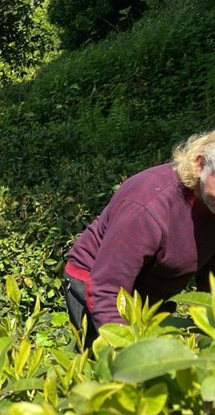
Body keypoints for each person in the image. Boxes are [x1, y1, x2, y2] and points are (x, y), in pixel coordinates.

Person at [64, 128, 215, 343]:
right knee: (107, 360)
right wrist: (125, 347)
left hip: (152, 291)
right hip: (98, 286)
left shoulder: (209, 202)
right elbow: (106, 287)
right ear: (200, 165)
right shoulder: (147, 207)